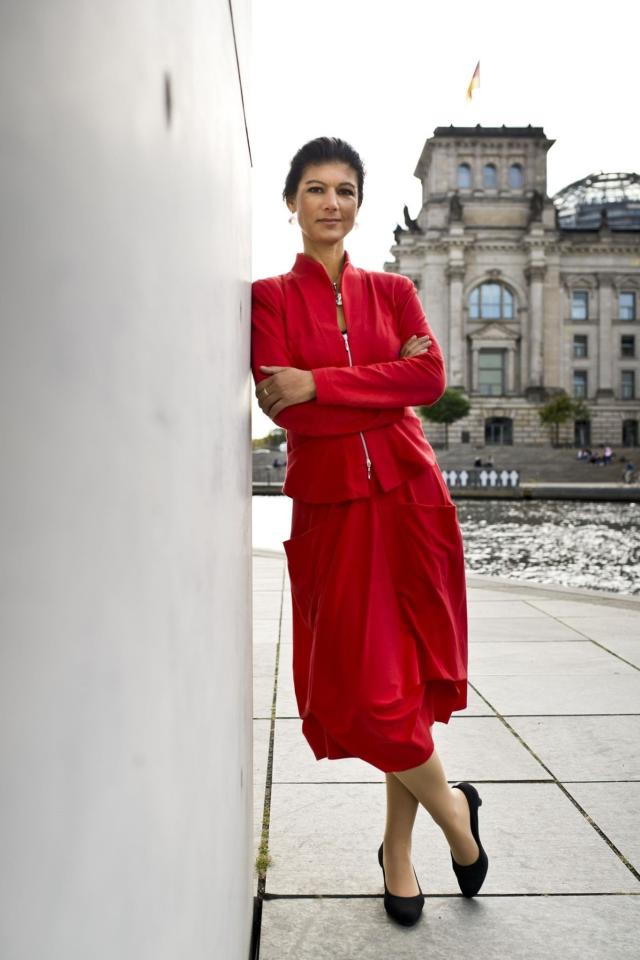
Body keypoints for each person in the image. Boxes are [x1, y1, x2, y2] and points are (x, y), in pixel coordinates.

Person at [250, 137, 487, 927]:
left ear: (358, 202)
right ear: (292, 201)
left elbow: (429, 380)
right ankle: (456, 815)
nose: (331, 203)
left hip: (412, 500)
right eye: (314, 189)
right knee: (369, 692)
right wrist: (373, 389)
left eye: (345, 190)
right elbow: (285, 412)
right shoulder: (268, 300)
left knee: (407, 684)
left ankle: (398, 853)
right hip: (332, 510)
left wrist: (321, 380)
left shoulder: (395, 290)